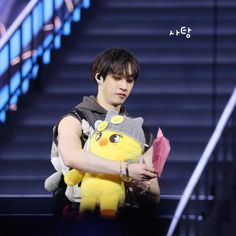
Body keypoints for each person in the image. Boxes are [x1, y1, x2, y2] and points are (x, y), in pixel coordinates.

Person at [52, 48, 160, 221]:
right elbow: (71, 157)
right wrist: (124, 169)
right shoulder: (75, 119)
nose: (124, 86)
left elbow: (155, 196)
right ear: (98, 77)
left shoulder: (139, 132)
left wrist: (141, 186)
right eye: (117, 78)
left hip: (121, 219)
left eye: (130, 80)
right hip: (77, 217)